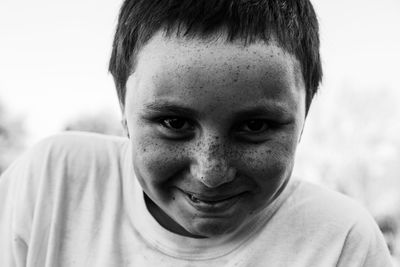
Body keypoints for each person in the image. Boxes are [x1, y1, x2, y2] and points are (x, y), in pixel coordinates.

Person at [0, 0, 393, 266]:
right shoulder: (52, 182)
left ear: (304, 116)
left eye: (255, 127)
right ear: (123, 105)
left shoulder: (343, 242)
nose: (211, 172)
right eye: (174, 123)